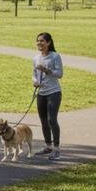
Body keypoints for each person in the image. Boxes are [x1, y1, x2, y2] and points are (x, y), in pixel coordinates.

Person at [33, 32, 64, 160]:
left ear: (49, 42)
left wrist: (47, 70)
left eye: (42, 41)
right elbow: (34, 73)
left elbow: (60, 74)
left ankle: (56, 149)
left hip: (54, 93)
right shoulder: (36, 58)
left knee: (52, 120)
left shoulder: (55, 56)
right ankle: (48, 146)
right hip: (41, 93)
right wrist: (35, 81)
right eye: (38, 41)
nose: (39, 43)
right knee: (44, 120)